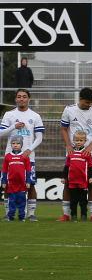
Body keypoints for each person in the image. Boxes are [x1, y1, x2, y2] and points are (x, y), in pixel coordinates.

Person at [58, 87, 92, 222]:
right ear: (80, 99)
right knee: (68, 183)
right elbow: (63, 129)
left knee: (91, 183)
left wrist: (91, 145)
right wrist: (68, 145)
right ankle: (66, 214)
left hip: (89, 154)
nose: (89, 105)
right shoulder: (69, 110)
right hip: (72, 154)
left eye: (91, 103)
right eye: (87, 102)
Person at [0, 89, 44, 221]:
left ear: (28, 99)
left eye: (24, 97)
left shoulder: (35, 116)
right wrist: (13, 126)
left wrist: (29, 149)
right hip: (10, 157)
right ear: (16, 99)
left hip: (27, 157)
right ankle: (8, 213)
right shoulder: (9, 114)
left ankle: (31, 213)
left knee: (31, 184)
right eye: (19, 96)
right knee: (8, 184)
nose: (21, 99)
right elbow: (1, 133)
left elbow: (39, 137)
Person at [64, 131, 92, 221]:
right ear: (73, 140)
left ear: (85, 141)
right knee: (73, 200)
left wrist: (91, 177)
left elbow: (91, 166)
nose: (78, 142)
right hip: (72, 181)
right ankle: (73, 215)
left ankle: (84, 215)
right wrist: (64, 177)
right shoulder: (70, 153)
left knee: (83, 200)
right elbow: (66, 166)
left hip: (83, 182)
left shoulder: (87, 153)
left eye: (81, 140)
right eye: (77, 140)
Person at [2, 135, 32, 221]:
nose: (15, 145)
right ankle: (10, 216)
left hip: (22, 184)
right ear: (11, 144)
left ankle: (22, 217)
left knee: (22, 201)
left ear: (21, 145)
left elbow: (28, 170)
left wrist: (28, 181)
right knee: (11, 201)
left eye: (18, 143)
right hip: (11, 184)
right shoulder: (8, 156)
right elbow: (4, 170)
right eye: (13, 143)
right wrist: (4, 181)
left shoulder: (25, 156)